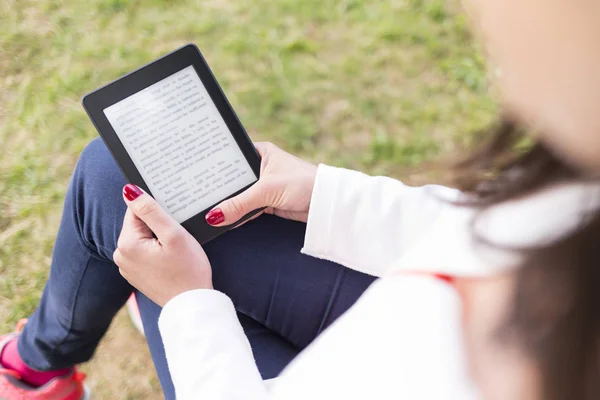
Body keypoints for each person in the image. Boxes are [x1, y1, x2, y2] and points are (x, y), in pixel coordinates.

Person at [2, 0, 600, 398]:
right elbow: (472, 227)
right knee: (120, 175)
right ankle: (43, 362)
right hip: (401, 298)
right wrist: (328, 196)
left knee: (144, 230)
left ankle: (37, 368)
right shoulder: (577, 191)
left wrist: (190, 310)